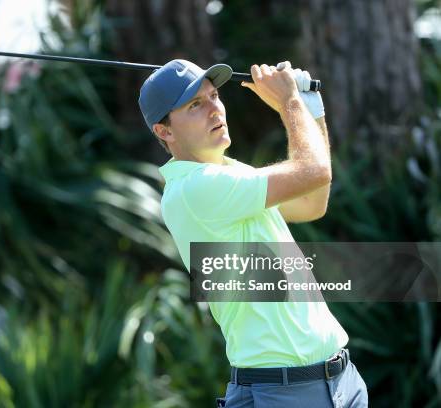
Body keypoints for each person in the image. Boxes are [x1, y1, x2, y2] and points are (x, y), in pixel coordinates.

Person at [138, 59, 369, 407]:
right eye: (195, 105)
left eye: (214, 95)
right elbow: (314, 171)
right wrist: (290, 102)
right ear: (164, 131)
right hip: (285, 392)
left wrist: (311, 110)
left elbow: (312, 203)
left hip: (340, 381)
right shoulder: (195, 188)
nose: (215, 109)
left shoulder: (229, 173)